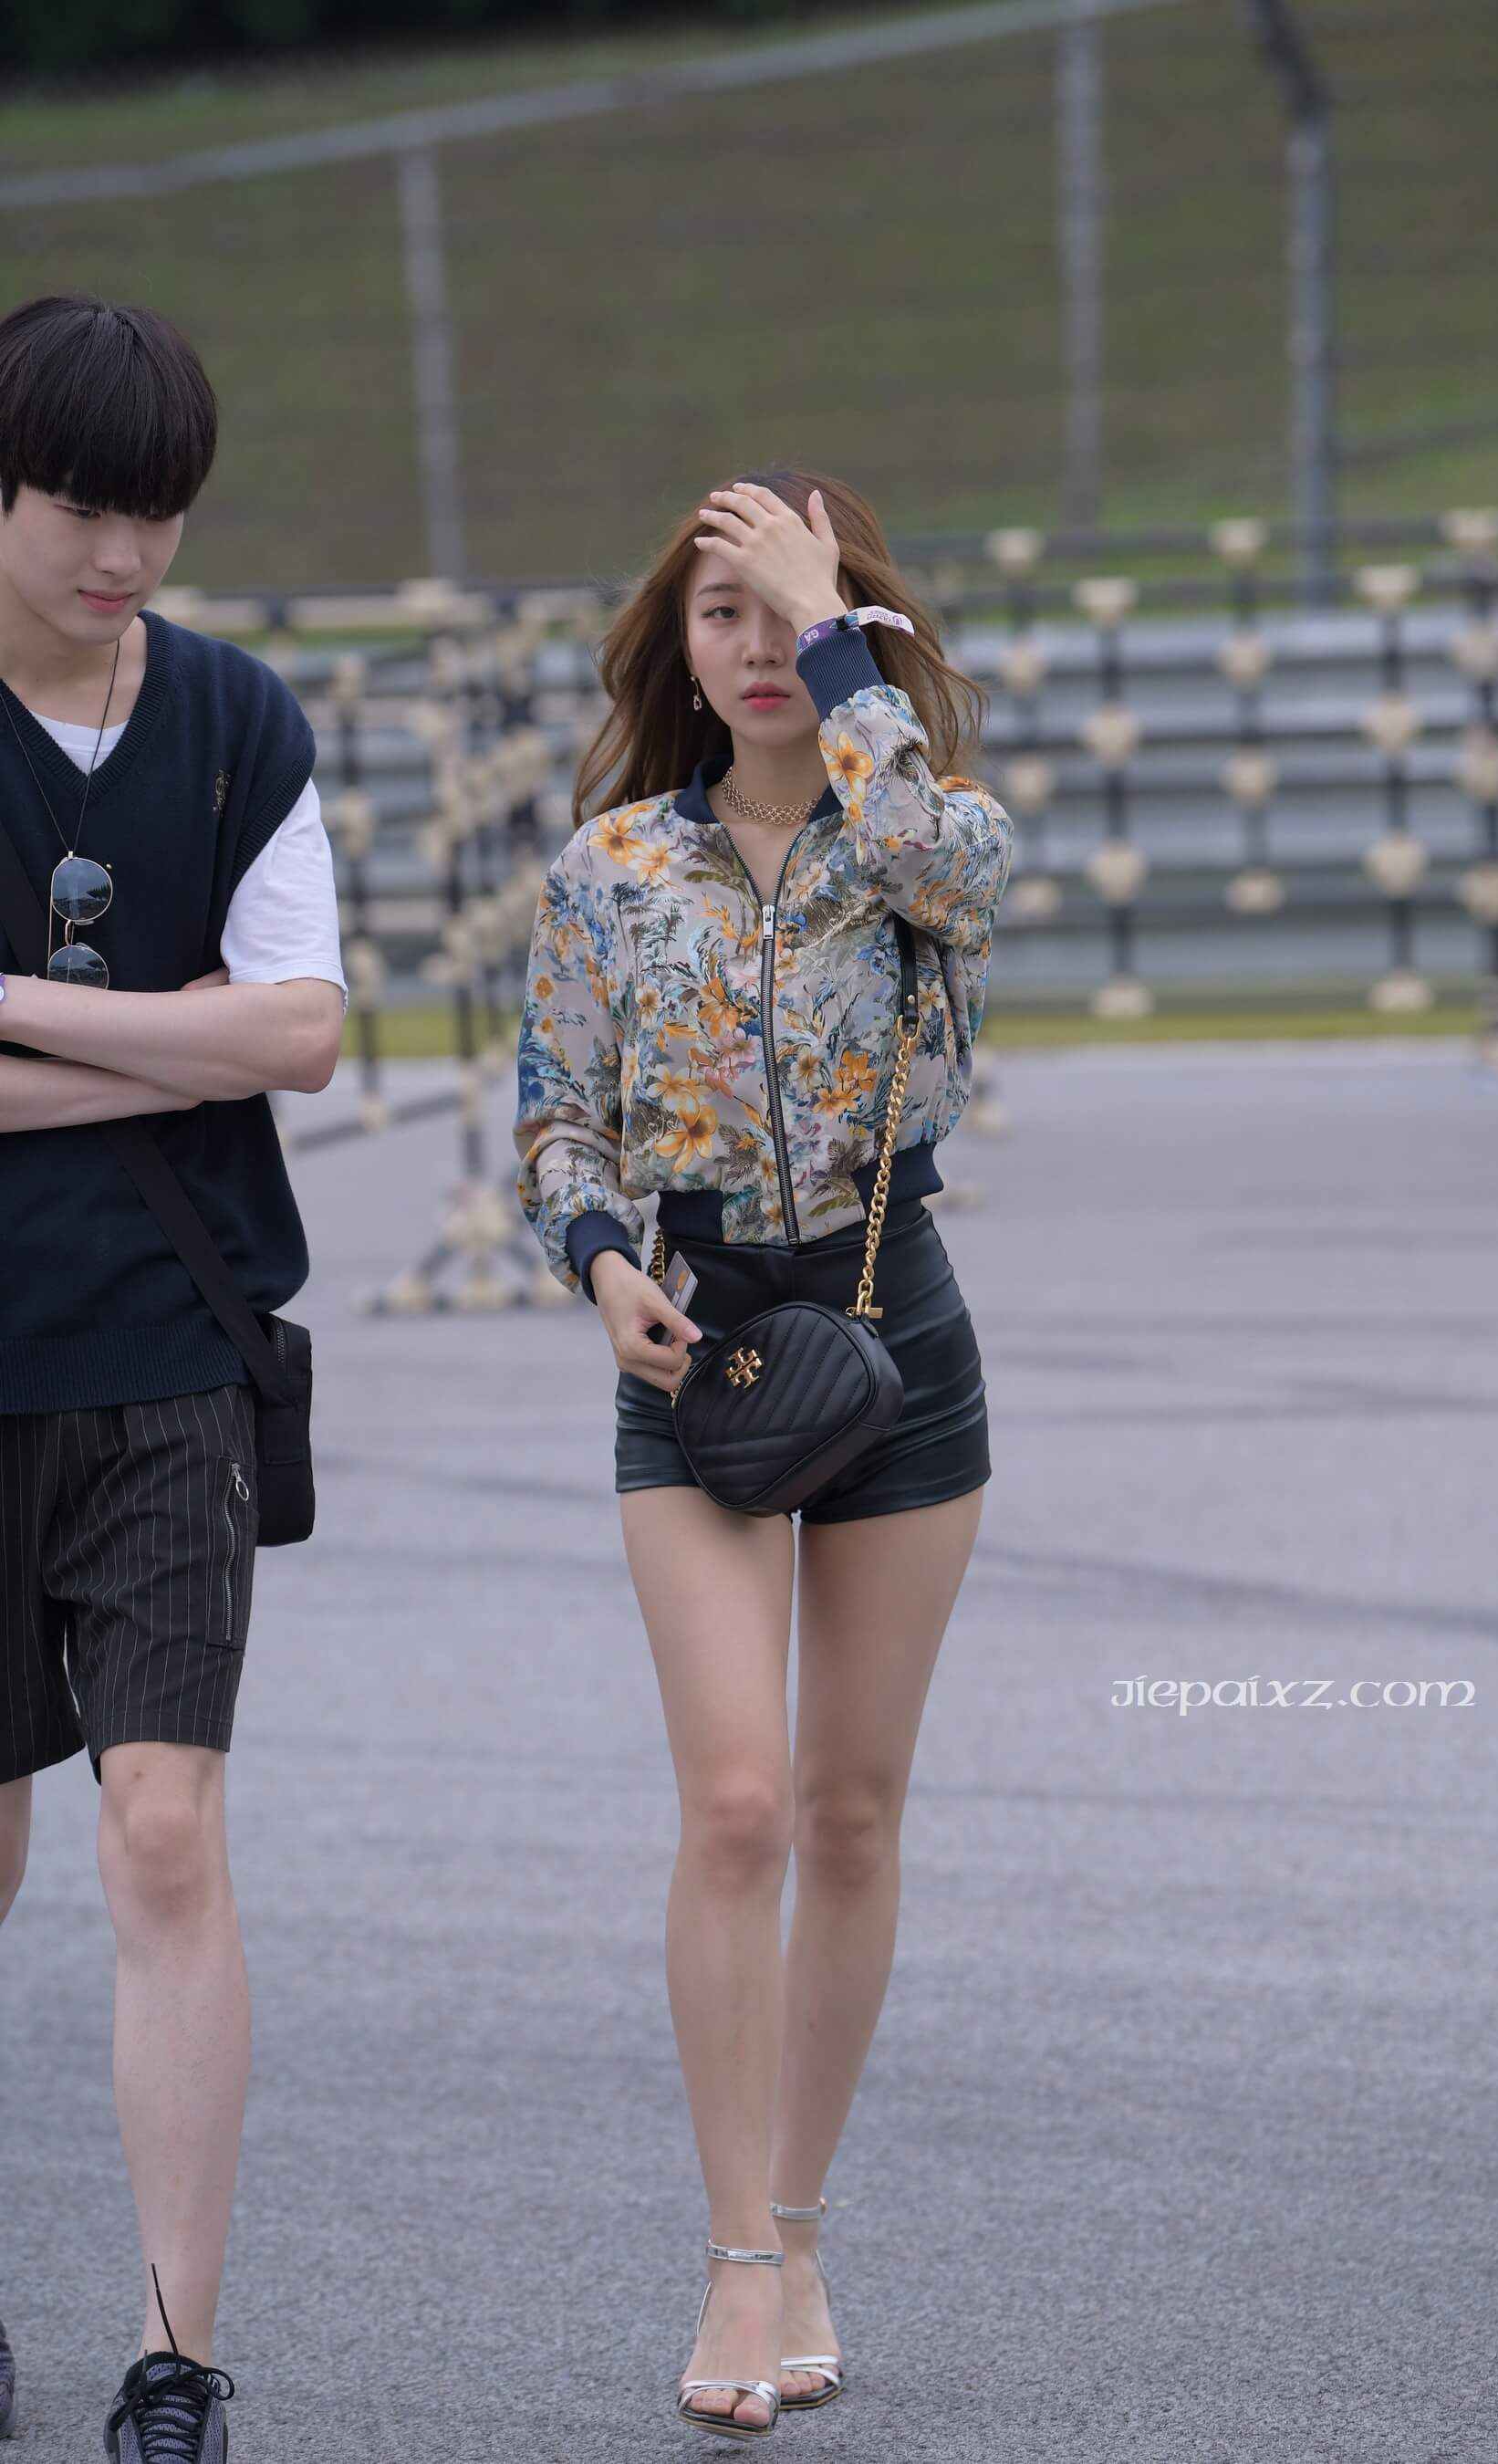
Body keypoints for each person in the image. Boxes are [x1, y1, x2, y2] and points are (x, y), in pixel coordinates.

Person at [515, 468, 1013, 2438]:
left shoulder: (924, 834)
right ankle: (734, 2256)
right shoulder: (613, 866)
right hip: (697, 1342)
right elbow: (558, 1114)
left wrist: (841, 637)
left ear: (852, 631)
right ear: (682, 650)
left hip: (900, 1332)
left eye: (793, 609)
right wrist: (599, 1260)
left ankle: (801, 2226)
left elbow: (950, 874)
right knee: (735, 1807)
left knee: (852, 1813)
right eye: (722, 612)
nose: (758, 647)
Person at [0, 295, 347, 2462]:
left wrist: (24, 1017)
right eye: (77, 508)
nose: (121, 554)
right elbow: (239, 1033)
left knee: (164, 1834)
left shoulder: (233, 719)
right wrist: (179, 1039)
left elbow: (301, 1030)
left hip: (173, 1357)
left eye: (159, 515)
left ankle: (170, 2351)